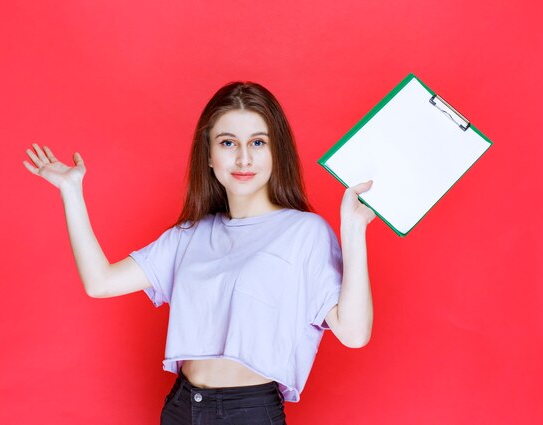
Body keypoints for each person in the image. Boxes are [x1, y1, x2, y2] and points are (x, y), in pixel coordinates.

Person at [23, 82, 375, 425]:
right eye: (227, 143)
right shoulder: (189, 236)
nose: (243, 158)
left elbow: (354, 333)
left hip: (248, 412)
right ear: (208, 154)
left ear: (275, 151)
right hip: (181, 406)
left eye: (257, 142)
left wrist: (353, 231)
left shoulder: (304, 232)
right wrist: (71, 191)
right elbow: (100, 282)